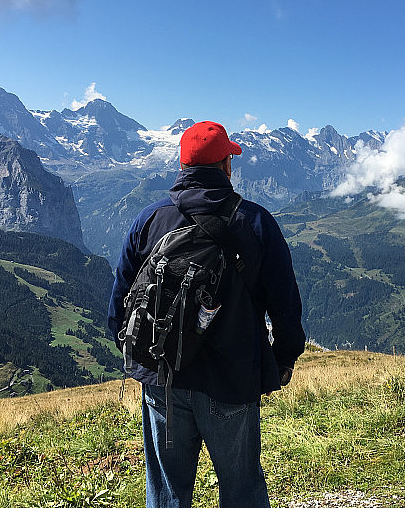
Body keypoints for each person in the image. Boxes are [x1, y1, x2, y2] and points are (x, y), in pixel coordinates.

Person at [108, 120, 306, 508]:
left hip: (163, 379)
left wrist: (144, 362)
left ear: (182, 167)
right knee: (242, 488)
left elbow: (119, 307)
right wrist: (281, 363)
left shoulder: (147, 221)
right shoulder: (256, 222)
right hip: (231, 382)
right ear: (225, 167)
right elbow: (286, 309)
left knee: (167, 489)